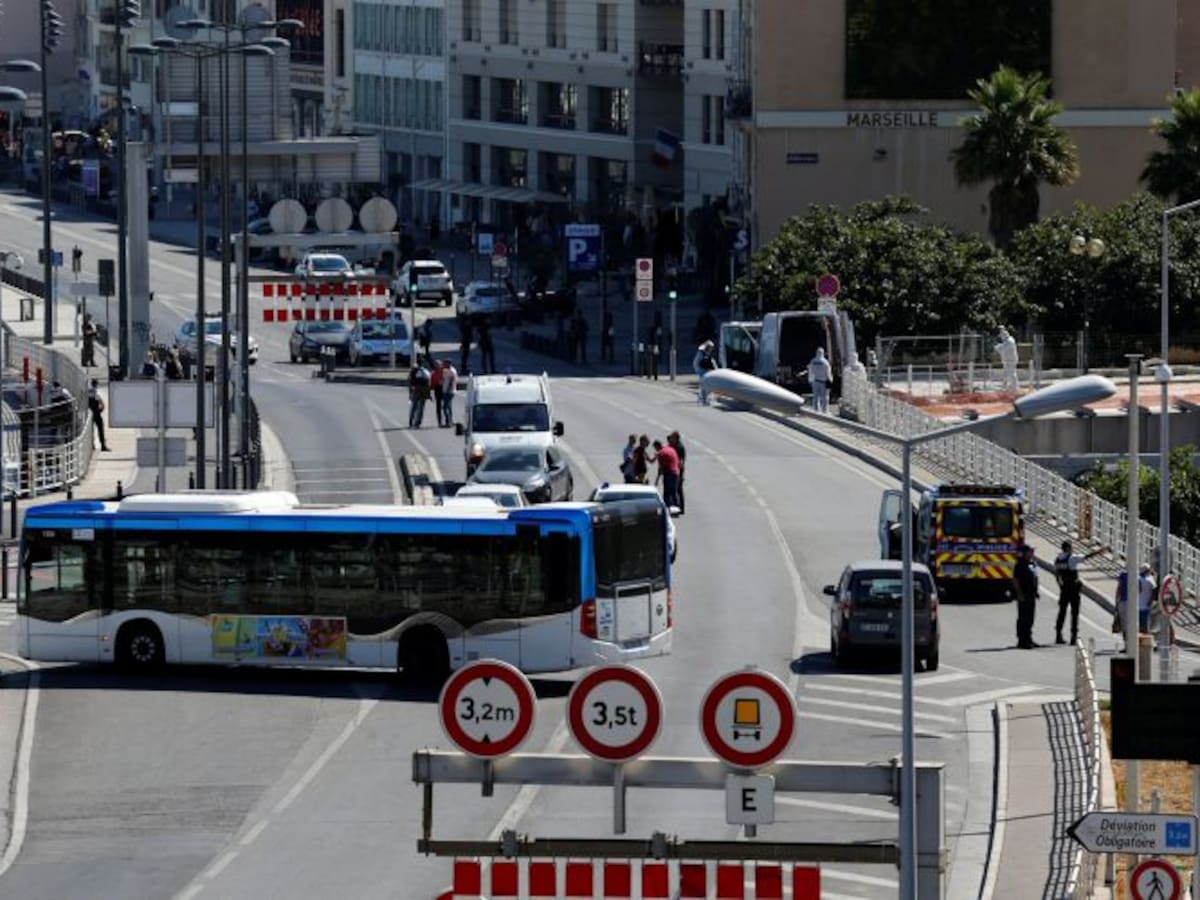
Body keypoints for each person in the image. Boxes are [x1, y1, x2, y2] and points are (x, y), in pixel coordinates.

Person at [1054, 540, 1106, 646]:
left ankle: (1058, 634)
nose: (1072, 548)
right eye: (1071, 546)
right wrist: (1099, 552)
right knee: (1075, 612)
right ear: (1067, 548)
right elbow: (1086, 557)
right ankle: (1073, 637)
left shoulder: (1058, 559)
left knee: (1062, 611)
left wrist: (1061, 586)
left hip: (1064, 588)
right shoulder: (1072, 558)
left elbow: (1057, 574)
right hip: (1073, 588)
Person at [1012, 544, 1039, 649]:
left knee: (1030, 618)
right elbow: (1015, 580)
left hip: (1031, 594)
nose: (1032, 553)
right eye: (1030, 551)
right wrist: (1019, 594)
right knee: (1023, 618)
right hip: (1024, 594)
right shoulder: (1020, 564)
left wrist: (1036, 591)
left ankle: (1029, 638)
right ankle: (1022, 641)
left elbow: (1035, 577)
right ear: (1025, 553)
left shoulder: (1032, 564)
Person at [652, 438, 681, 509]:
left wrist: (657, 480)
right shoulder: (671, 449)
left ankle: (666, 508)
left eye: (655, 448)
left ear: (657, 446)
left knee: (667, 492)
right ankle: (677, 507)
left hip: (668, 473)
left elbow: (661, 468)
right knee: (674, 492)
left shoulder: (661, 453)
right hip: (676, 472)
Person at [807, 347, 833, 413]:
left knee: (815, 397)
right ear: (823, 353)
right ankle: (824, 411)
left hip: (815, 382)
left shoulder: (813, 361)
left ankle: (816, 410)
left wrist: (810, 380)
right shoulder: (825, 362)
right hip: (823, 382)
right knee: (824, 398)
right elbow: (828, 373)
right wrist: (831, 380)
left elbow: (810, 371)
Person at [408, 356, 432, 428]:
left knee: (414, 406)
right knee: (421, 406)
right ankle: (417, 422)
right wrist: (429, 393)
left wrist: (410, 391)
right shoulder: (426, 371)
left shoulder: (414, 370)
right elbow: (429, 382)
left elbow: (410, 381)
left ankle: (412, 421)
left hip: (416, 389)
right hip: (423, 389)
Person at [667, 431, 687, 514]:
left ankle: (680, 508)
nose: (671, 439)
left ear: (676, 438)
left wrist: (680, 473)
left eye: (672, 437)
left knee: (678, 490)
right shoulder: (673, 446)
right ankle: (677, 507)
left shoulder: (679, 447)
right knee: (675, 490)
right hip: (675, 470)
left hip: (678, 471)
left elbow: (681, 461)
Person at [87, 379, 109, 451]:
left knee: (90, 430)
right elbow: (102, 404)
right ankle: (103, 445)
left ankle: (91, 445)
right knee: (100, 429)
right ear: (96, 384)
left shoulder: (87, 392)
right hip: (96, 413)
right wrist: (100, 410)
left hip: (89, 413)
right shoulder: (96, 392)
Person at [995, 326, 1019, 393]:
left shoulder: (1009, 341)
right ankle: (1004, 387)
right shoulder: (1006, 341)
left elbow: (1002, 349)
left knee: (1012, 374)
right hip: (1007, 360)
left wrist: (996, 347)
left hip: (1011, 360)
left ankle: (1014, 388)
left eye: (1001, 336)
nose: (1001, 338)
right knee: (1005, 374)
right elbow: (1002, 347)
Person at [693, 340, 715, 405]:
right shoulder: (701, 353)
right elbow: (696, 363)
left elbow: (712, 362)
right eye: (711, 347)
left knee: (707, 385)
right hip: (702, 371)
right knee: (704, 385)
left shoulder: (709, 353)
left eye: (712, 347)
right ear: (707, 347)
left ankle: (704, 399)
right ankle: (703, 399)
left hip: (708, 371)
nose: (712, 349)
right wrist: (698, 371)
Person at [440, 359, 458, 427]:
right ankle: (450, 421)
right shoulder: (446, 370)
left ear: (449, 364)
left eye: (445, 363)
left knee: (445, 407)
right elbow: (444, 379)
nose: (444, 365)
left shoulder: (452, 371)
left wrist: (447, 390)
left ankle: (448, 422)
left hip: (449, 391)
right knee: (449, 407)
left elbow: (451, 381)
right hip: (445, 390)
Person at [430, 357, 446, 426]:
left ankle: (447, 420)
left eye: (438, 365)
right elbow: (432, 384)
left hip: (444, 388)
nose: (437, 366)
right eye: (436, 365)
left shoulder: (444, 372)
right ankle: (440, 421)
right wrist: (431, 393)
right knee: (438, 406)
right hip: (437, 389)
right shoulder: (433, 373)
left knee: (445, 405)